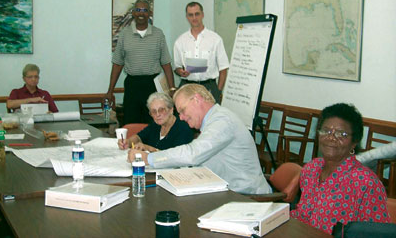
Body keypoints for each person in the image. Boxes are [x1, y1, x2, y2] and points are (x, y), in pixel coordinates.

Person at [128, 84, 271, 194]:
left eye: (182, 111)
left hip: (246, 197)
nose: (182, 118)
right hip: (225, 190)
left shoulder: (222, 121)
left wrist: (148, 158)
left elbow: (193, 154)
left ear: (197, 99)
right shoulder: (213, 120)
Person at [291, 103, 390, 234]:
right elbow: (302, 215)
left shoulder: (365, 183)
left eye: (341, 134)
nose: (331, 138)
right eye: (326, 131)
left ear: (354, 142)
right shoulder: (311, 169)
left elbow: (378, 234)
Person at [106, 0, 176, 124]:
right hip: (132, 85)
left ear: (149, 13)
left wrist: (172, 89)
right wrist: (110, 91)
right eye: (138, 10)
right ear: (133, 13)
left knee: (154, 121)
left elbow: (166, 63)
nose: (141, 13)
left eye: (144, 10)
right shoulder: (124, 34)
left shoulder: (158, 34)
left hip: (152, 85)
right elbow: (117, 64)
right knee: (131, 122)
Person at [173, 2, 229, 103]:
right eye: (190, 15)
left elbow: (223, 69)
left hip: (209, 88)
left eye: (197, 14)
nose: (194, 18)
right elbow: (177, 67)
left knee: (208, 118)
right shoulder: (180, 41)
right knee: (186, 118)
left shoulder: (215, 39)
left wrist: (218, 91)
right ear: (187, 17)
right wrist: (180, 71)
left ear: (202, 14)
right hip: (187, 87)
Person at [118, 92, 193, 152]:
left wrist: (148, 148)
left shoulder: (183, 128)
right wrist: (128, 142)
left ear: (171, 110)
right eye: (153, 111)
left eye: (161, 110)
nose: (157, 114)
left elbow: (176, 158)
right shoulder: (156, 125)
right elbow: (138, 137)